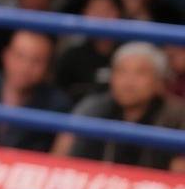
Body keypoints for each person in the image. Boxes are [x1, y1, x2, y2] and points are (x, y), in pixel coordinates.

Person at [52, 42, 185, 172]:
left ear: (159, 80)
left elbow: (178, 174)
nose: (128, 81)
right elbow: (60, 158)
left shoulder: (177, 116)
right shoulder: (92, 108)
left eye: (141, 73)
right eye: (121, 71)